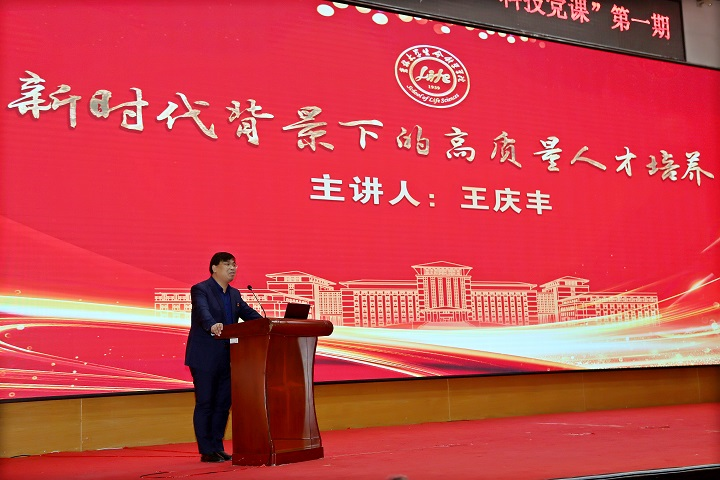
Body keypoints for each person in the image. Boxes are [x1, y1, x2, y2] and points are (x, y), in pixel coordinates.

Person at [184, 252, 263, 463]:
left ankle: (217, 447)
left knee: (222, 404)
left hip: (229, 358)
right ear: (214, 268)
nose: (232, 268)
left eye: (234, 264)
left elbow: (251, 316)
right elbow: (203, 313)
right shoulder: (201, 289)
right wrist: (212, 325)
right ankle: (206, 450)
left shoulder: (235, 295)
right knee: (206, 402)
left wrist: (271, 324)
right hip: (205, 357)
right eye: (227, 264)